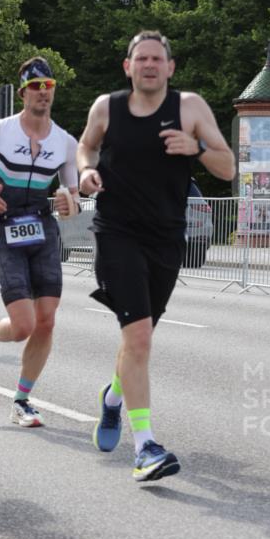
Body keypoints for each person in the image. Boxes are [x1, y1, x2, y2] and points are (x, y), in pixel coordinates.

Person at [78, 30, 236, 482]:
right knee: (141, 338)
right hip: (116, 233)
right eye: (140, 58)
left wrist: (198, 148)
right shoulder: (107, 107)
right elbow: (86, 145)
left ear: (170, 67)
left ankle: (112, 398)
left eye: (157, 59)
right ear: (127, 67)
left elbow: (228, 167)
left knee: (137, 341)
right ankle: (145, 446)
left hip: (167, 238)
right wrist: (86, 171)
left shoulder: (190, 108)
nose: (149, 65)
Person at [0, 57, 79, 428]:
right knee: (24, 325)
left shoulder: (64, 142)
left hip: (42, 229)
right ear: (23, 92)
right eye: (36, 86)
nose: (43, 93)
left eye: (49, 86)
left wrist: (67, 202)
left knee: (46, 322)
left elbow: (72, 198)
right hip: (7, 225)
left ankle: (22, 400)